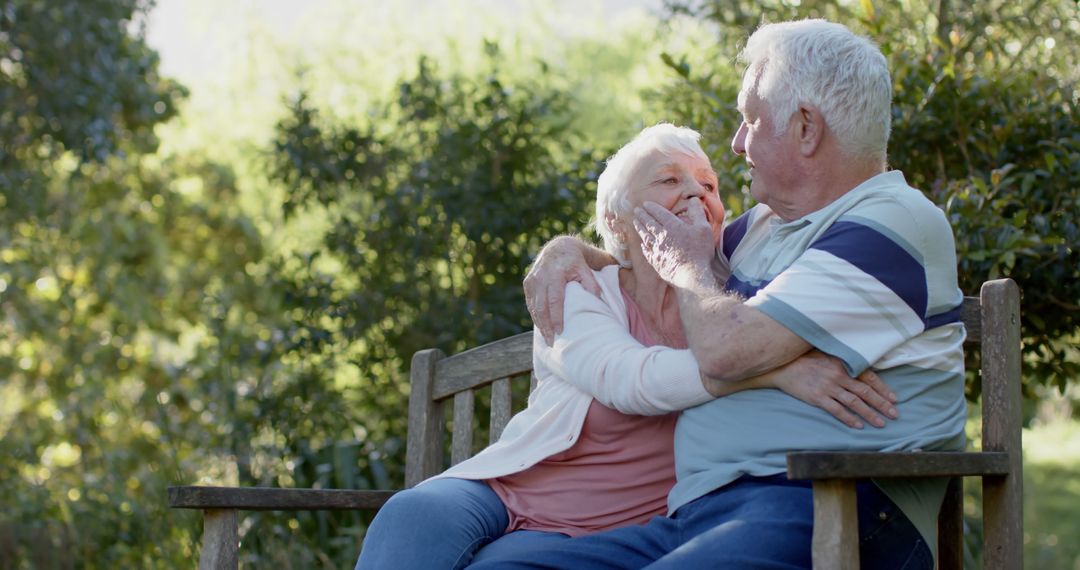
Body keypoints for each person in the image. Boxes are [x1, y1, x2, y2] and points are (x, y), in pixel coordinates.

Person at [495, 19, 968, 570]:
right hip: (702, 512)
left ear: (806, 129)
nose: (739, 143)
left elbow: (724, 348)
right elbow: (658, 256)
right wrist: (569, 250)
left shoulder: (893, 225)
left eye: (750, 120)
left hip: (834, 507)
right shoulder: (766, 227)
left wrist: (691, 267)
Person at [354, 124, 898, 570]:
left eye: (708, 186)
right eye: (667, 180)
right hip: (507, 493)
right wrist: (770, 373)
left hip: (620, 534)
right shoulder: (581, 290)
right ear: (616, 219)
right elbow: (626, 378)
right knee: (412, 516)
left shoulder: (733, 301)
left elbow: (805, 220)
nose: (694, 192)